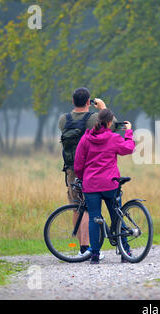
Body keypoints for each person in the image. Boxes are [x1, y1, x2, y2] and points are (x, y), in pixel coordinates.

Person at [58, 87, 117, 259]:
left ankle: (80, 247)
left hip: (71, 169)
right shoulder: (92, 119)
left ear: (72, 101)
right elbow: (112, 127)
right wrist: (103, 108)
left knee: (76, 206)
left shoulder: (63, 119)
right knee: (88, 210)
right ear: (88, 101)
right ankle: (86, 248)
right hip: (90, 170)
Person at [74, 108, 135, 264]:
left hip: (91, 185)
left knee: (94, 218)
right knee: (117, 216)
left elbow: (78, 164)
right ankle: (125, 251)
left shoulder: (86, 138)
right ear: (109, 123)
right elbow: (129, 148)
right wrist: (128, 132)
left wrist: (83, 179)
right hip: (110, 184)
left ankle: (95, 255)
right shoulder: (114, 138)